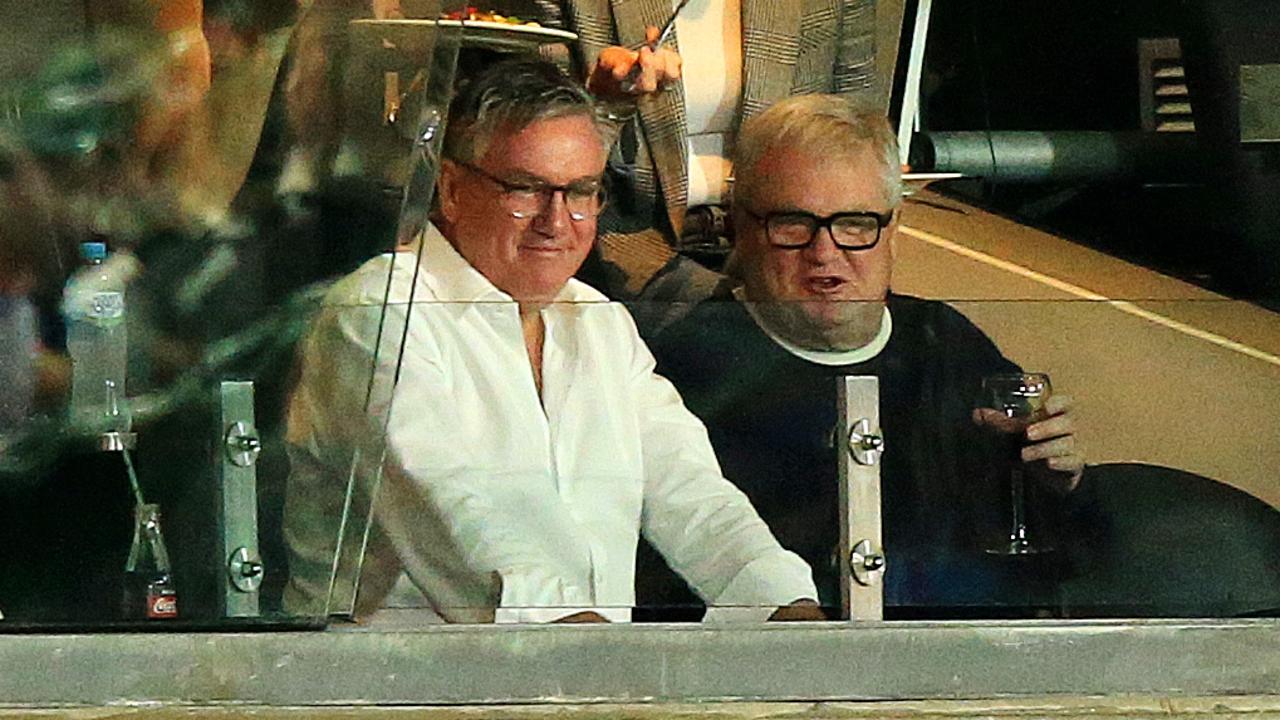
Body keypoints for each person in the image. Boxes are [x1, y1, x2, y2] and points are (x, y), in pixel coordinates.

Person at [282, 59, 821, 624]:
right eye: (526, 189)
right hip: (389, 696)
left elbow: (695, 497)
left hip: (582, 685)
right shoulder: (377, 312)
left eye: (581, 192)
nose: (557, 222)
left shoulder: (600, 323)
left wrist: (785, 604)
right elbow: (454, 512)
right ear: (451, 188)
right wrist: (585, 647)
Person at [636, 94, 1091, 619]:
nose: (824, 252)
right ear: (742, 227)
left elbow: (1062, 557)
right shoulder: (680, 370)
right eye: (792, 223)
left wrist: (1061, 484)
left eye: (854, 223)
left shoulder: (945, 343)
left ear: (894, 230)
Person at [521, 0, 888, 332]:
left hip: (785, 243)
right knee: (717, 331)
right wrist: (604, 105)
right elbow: (531, 150)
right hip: (631, 239)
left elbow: (853, 136)